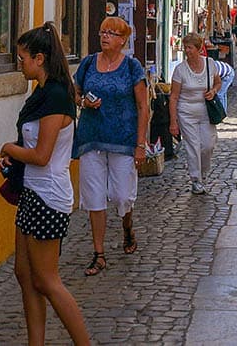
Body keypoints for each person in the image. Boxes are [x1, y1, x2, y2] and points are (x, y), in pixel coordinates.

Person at [0, 24, 90, 345]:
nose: (18, 63)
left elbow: (41, 155)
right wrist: (14, 152)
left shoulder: (54, 97)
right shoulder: (42, 93)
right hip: (31, 193)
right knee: (24, 275)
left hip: (48, 197)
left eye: (22, 58)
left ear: (39, 58)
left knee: (48, 280)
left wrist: (10, 149)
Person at [73, 16, 149, 277]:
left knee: (122, 196)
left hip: (124, 140)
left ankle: (127, 224)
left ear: (123, 40)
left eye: (111, 33)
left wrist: (141, 143)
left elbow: (143, 105)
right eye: (103, 31)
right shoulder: (88, 64)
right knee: (93, 197)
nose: (105, 36)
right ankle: (99, 253)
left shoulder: (131, 67)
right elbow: (75, 91)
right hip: (91, 138)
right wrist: (83, 101)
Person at [169, 32, 234, 194]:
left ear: (199, 49)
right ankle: (196, 179)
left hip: (206, 111)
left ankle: (203, 173)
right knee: (193, 146)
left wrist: (213, 91)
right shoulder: (180, 70)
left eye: (190, 48)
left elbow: (218, 82)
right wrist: (173, 121)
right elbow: (174, 96)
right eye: (185, 48)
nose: (187, 51)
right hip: (186, 112)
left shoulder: (210, 64)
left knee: (208, 145)